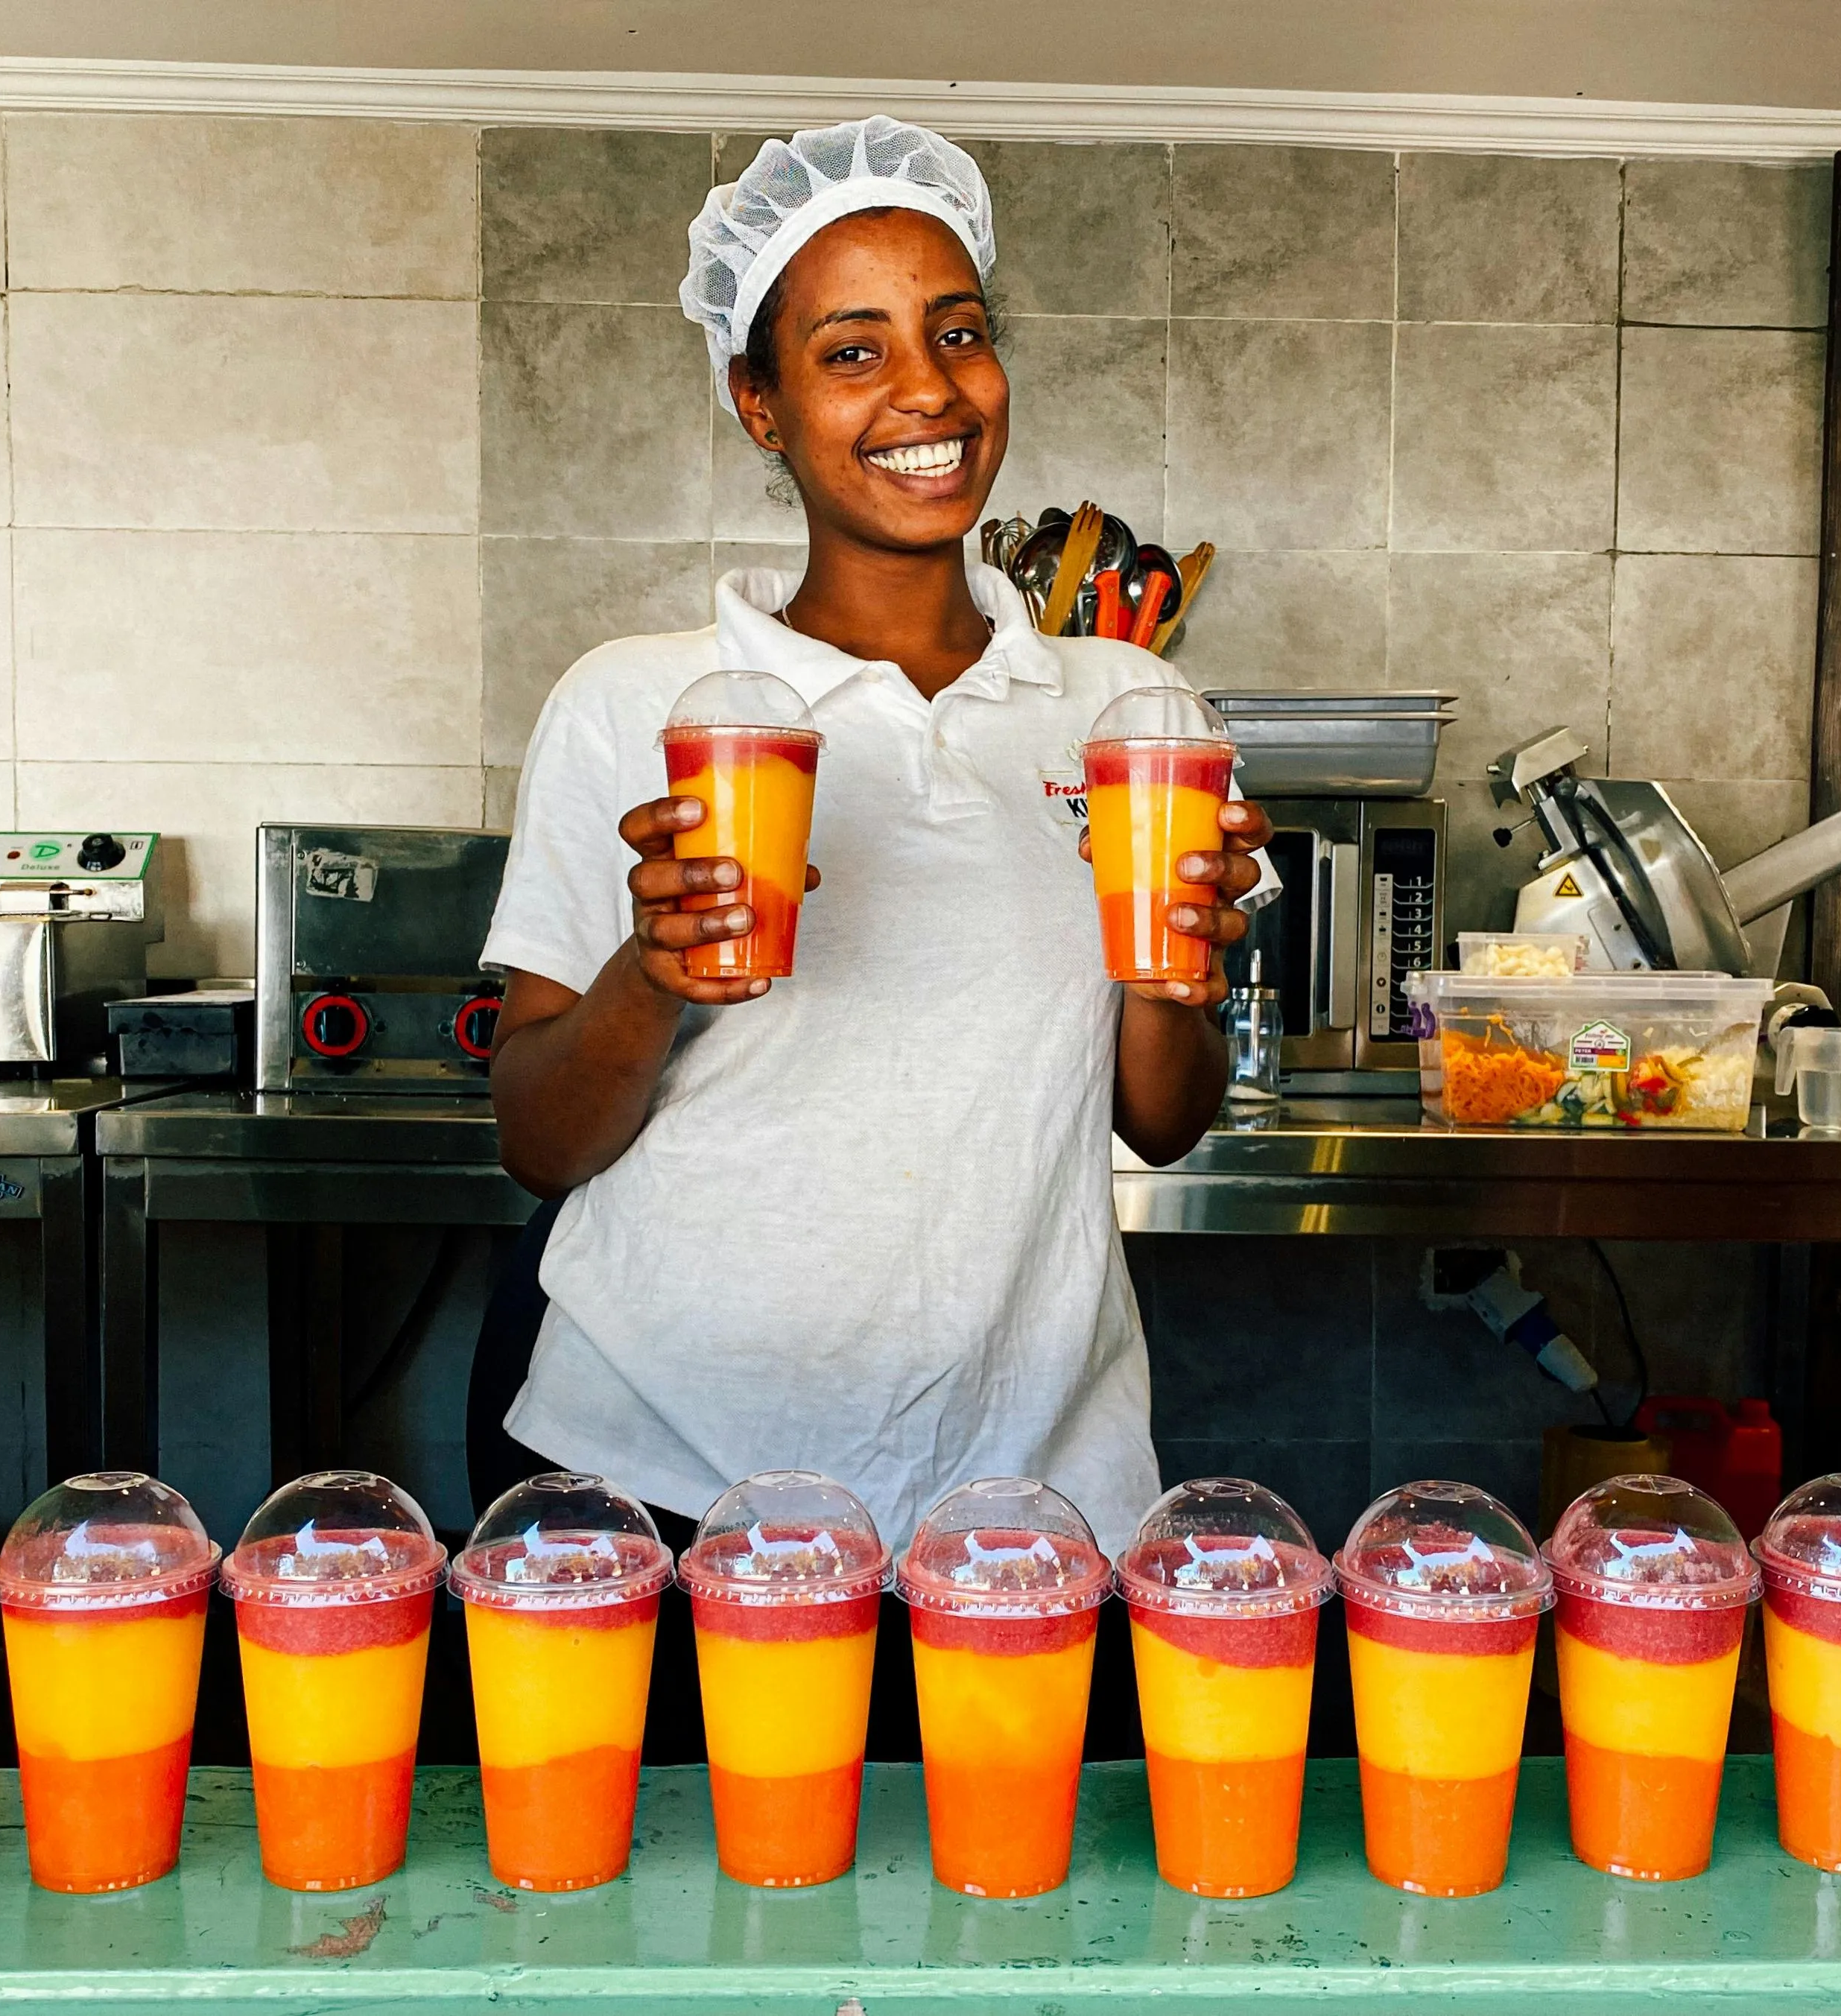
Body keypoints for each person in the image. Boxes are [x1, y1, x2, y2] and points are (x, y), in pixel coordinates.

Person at [470, 118, 1268, 1760]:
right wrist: (652, 974)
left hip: (1033, 1497)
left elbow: (1160, 1115)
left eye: (958, 332)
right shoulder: (645, 702)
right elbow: (540, 1136)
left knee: (1007, 1927)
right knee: (696, 1939)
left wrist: (1181, 975)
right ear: (758, 404)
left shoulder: (1130, 710)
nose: (928, 391)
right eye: (853, 351)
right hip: (673, 1486)